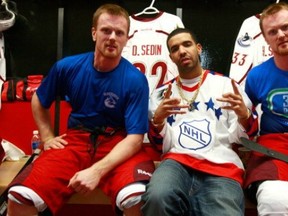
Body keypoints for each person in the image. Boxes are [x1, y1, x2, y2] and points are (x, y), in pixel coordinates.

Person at [6, 3, 155, 216]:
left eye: (119, 33)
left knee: (139, 198)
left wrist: (96, 171)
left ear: (126, 39)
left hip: (117, 142)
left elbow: (134, 139)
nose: (112, 37)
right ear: (94, 33)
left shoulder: (135, 79)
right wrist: (48, 137)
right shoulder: (67, 67)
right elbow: (39, 99)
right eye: (106, 30)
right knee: (19, 197)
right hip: (75, 141)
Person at [141, 28, 257, 216]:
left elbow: (245, 138)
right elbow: (159, 145)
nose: (182, 51)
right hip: (177, 163)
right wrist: (158, 122)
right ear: (171, 57)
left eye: (187, 44)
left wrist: (244, 116)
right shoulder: (161, 94)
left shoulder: (227, 85)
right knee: (157, 196)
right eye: (175, 48)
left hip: (222, 166)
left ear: (198, 48)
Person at [244, 2, 288, 215]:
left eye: (286, 27)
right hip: (274, 148)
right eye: (273, 31)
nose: (281, 34)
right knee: (274, 200)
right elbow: (244, 121)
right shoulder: (256, 76)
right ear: (266, 38)